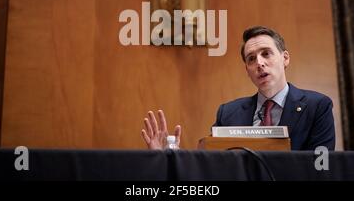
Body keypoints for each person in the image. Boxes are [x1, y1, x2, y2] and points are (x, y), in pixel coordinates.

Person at [141, 26, 336, 150]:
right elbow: (210, 167)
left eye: (266, 54)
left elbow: (321, 167)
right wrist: (169, 155)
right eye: (251, 59)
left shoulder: (317, 106)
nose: (259, 63)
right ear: (247, 70)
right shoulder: (229, 113)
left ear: (285, 58)